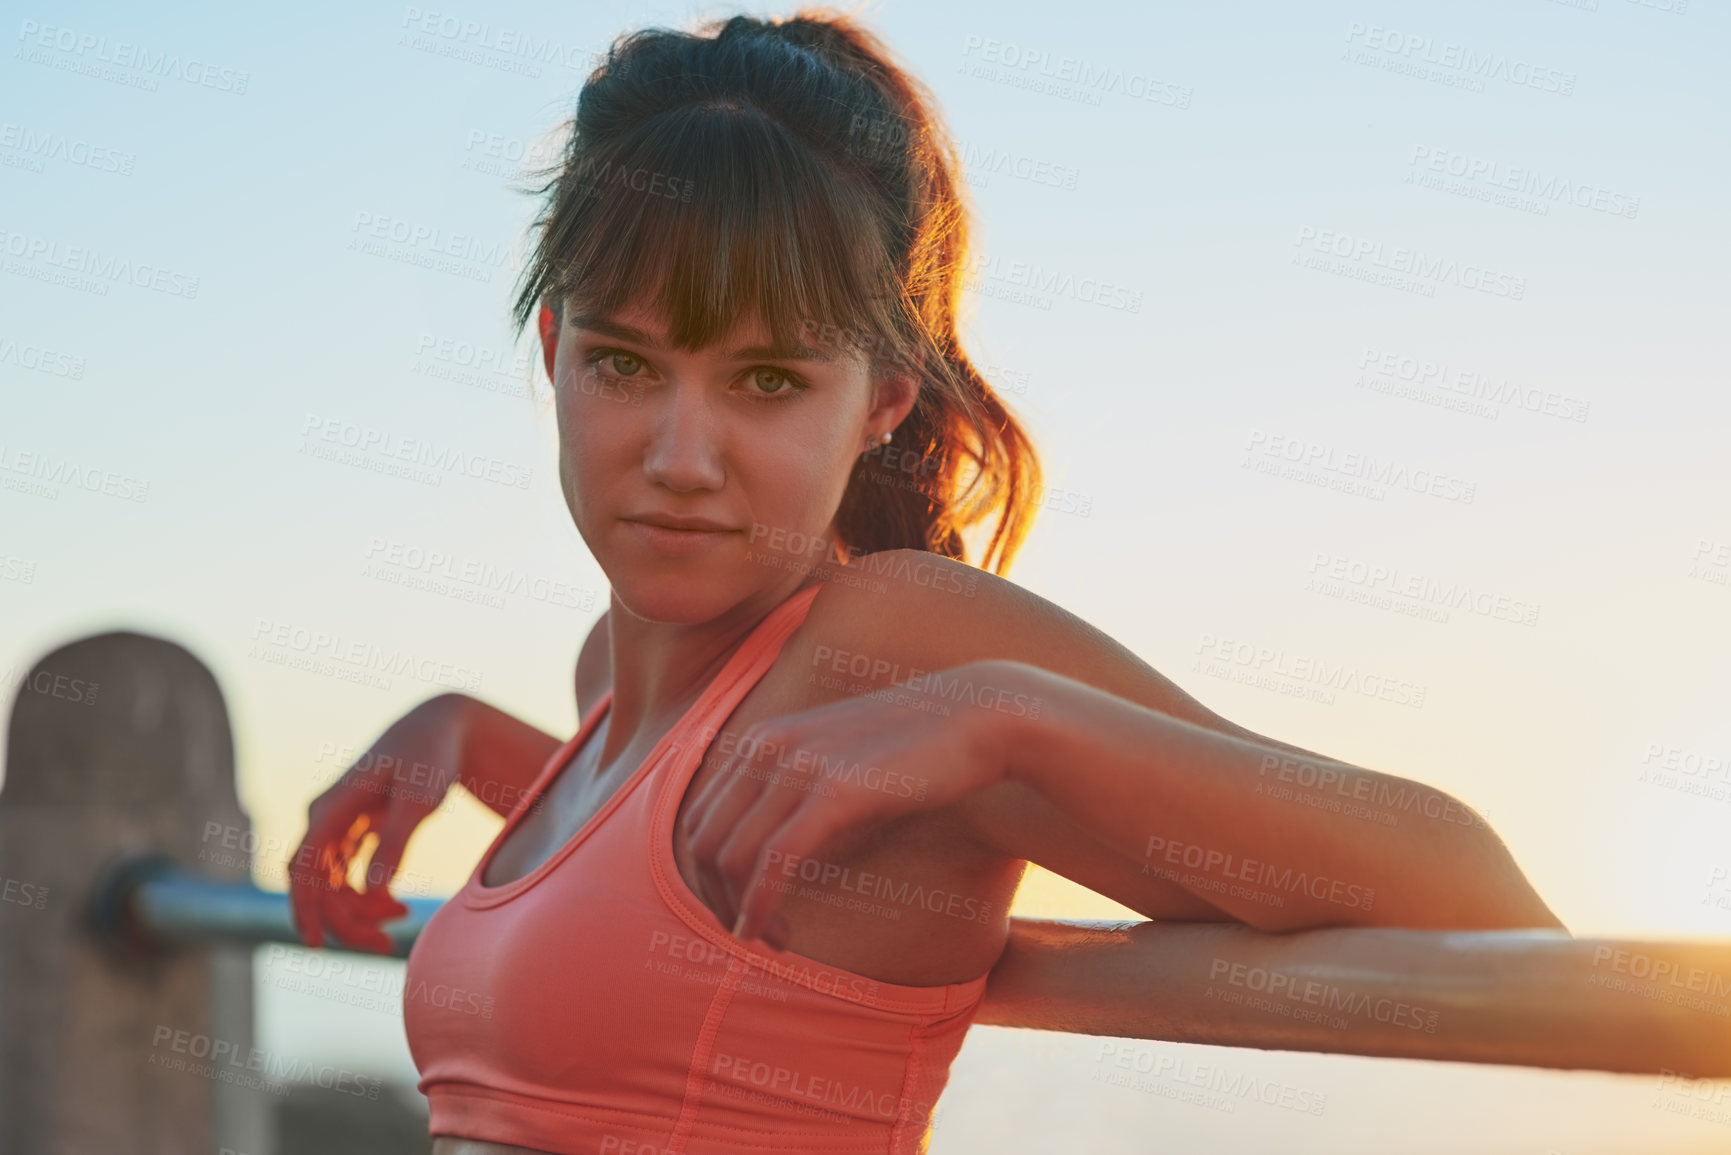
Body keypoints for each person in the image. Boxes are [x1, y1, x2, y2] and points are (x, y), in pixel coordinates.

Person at [288, 10, 1562, 1153]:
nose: (680, 460)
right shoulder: (609, 683)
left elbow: (1474, 902)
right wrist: (463, 733)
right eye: (625, 365)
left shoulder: (896, 639)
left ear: (882, 403)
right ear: (557, 350)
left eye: (770, 381)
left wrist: (1005, 719)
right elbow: (677, 893)